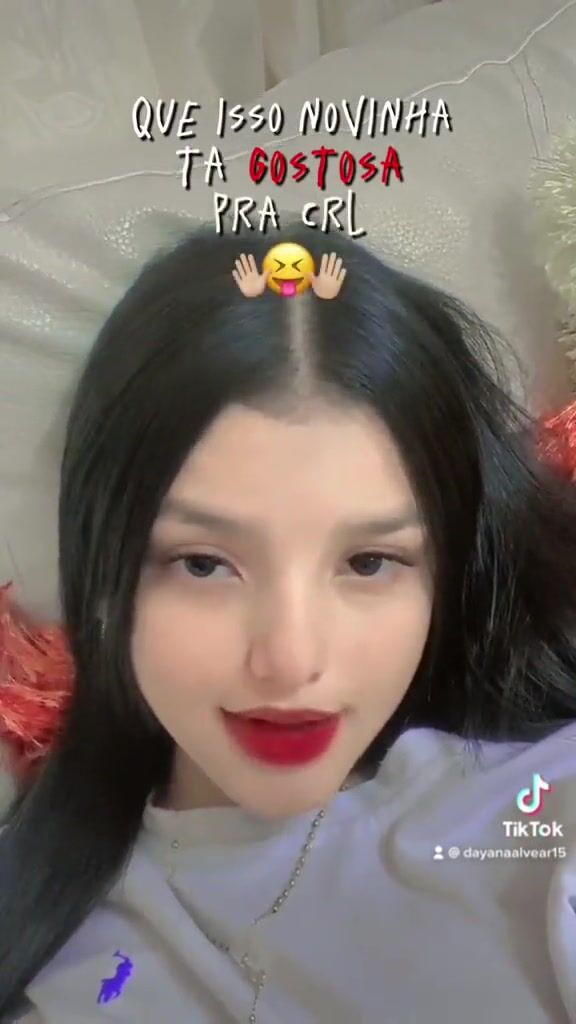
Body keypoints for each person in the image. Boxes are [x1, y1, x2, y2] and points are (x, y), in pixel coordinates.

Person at [0, 224, 575, 1024]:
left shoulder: (547, 821)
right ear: (104, 576)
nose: (290, 658)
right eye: (204, 564)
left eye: (368, 562)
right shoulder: (53, 954)